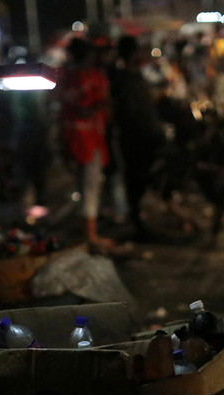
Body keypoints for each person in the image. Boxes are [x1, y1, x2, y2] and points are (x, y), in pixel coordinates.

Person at [56, 37, 114, 249]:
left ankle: (91, 233)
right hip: (83, 140)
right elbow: (80, 109)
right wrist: (102, 104)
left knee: (91, 186)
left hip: (93, 139)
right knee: (89, 187)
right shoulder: (77, 78)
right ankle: (90, 236)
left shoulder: (90, 75)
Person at [109, 35, 165, 241]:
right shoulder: (124, 79)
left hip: (141, 134)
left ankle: (139, 219)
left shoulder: (132, 76)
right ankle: (136, 220)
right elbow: (128, 111)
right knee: (135, 177)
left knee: (140, 176)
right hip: (134, 136)